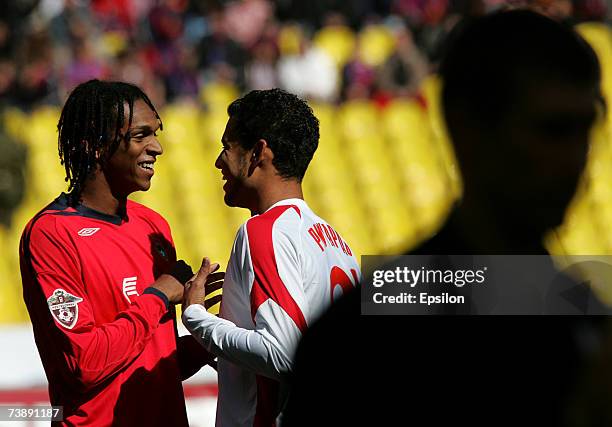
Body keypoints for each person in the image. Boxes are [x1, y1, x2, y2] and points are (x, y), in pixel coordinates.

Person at [282, 10, 608, 426]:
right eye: (553, 129)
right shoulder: (359, 338)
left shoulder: (586, 324)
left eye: (586, 127)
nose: (574, 159)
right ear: (466, 126)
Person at [19, 79, 213, 426]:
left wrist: (213, 335)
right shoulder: (51, 234)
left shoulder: (154, 226)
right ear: (94, 145)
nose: (158, 147)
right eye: (141, 136)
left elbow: (153, 364)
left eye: (156, 133)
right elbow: (83, 364)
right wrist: (157, 296)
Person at [181, 88, 361, 426]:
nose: (219, 161)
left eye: (227, 148)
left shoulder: (264, 231)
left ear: (258, 152)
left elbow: (282, 354)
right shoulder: (339, 245)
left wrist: (196, 316)